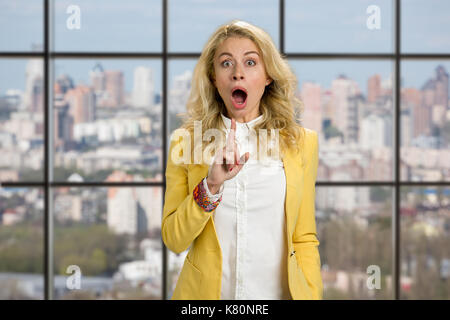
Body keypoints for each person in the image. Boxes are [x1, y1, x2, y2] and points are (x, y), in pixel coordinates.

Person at [162, 20, 322, 300]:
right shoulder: (186, 142)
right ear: (213, 77)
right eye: (226, 64)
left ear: (268, 75)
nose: (238, 74)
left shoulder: (301, 143)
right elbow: (174, 239)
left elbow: (304, 237)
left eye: (250, 63)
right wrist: (210, 187)